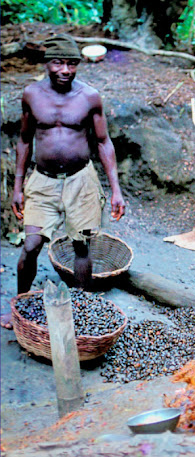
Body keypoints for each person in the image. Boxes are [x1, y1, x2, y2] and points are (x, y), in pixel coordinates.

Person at [1, 34, 125, 329]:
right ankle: (21, 306)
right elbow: (24, 140)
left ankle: (83, 310)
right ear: (47, 64)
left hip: (81, 182)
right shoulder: (31, 94)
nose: (65, 70)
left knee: (81, 245)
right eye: (58, 63)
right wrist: (18, 187)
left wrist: (116, 190)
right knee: (30, 245)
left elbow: (104, 142)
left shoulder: (89, 97)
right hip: (42, 182)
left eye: (72, 64)